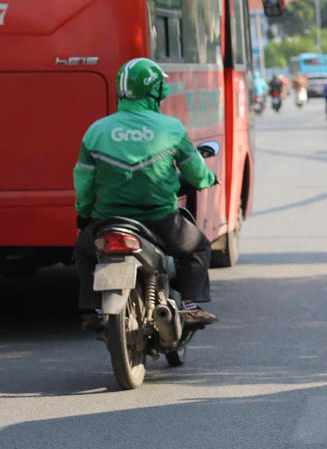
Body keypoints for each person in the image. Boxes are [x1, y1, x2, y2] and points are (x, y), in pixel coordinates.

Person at [73, 58, 219, 330]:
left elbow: (84, 181)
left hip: (109, 220)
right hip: (160, 221)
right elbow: (196, 174)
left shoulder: (96, 131)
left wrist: (84, 212)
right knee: (198, 246)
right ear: (155, 91)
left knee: (83, 251)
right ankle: (189, 304)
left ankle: (92, 308)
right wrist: (209, 178)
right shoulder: (171, 128)